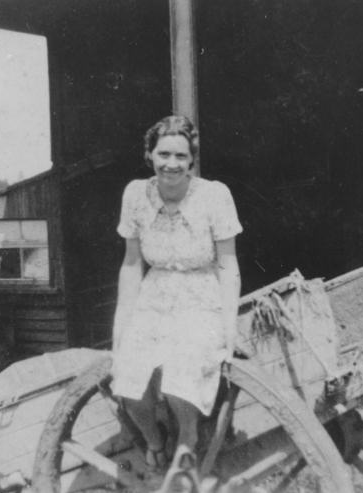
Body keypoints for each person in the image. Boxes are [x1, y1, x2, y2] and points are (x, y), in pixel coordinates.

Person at [111, 115, 242, 472]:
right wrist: (120, 327)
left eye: (181, 156)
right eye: (163, 154)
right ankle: (155, 441)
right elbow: (132, 264)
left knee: (179, 374)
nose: (172, 164)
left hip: (201, 296)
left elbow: (228, 266)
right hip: (154, 297)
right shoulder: (136, 195)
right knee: (128, 379)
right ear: (150, 155)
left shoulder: (215, 196)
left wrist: (229, 327)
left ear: (191, 159)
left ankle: (187, 439)